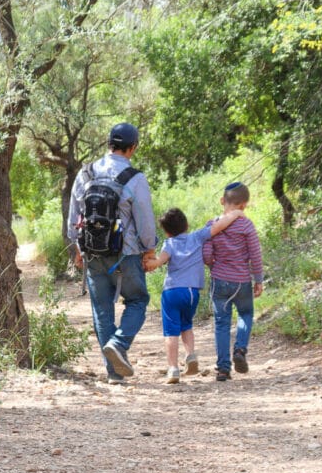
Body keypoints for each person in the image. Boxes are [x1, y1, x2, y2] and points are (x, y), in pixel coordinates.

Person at [67, 123, 157, 384]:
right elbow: (145, 220)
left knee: (102, 311)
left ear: (109, 144)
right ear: (133, 147)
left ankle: (114, 372)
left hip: (93, 253)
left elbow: (74, 216)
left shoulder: (85, 173)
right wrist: (149, 248)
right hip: (126, 253)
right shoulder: (135, 178)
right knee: (138, 300)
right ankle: (119, 343)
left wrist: (77, 248)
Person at [144, 206, 243, 383]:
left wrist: (150, 263)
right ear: (187, 224)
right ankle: (190, 355)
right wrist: (235, 213)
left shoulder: (169, 244)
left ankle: (173, 368)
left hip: (172, 291)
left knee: (170, 332)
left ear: (166, 232)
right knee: (186, 325)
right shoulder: (197, 237)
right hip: (192, 293)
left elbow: (160, 261)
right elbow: (219, 226)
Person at [203, 181, 264, 381]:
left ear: (222, 201)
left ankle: (222, 369)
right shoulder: (246, 225)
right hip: (241, 282)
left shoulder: (212, 225)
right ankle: (240, 349)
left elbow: (207, 255)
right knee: (245, 313)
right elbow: (255, 254)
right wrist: (258, 279)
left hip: (219, 281)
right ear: (244, 205)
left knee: (221, 323)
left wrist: (214, 264)